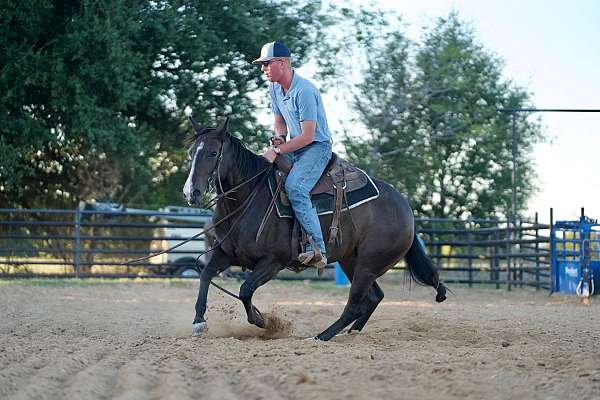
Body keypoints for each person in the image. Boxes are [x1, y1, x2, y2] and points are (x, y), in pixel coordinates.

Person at [252, 41, 332, 270]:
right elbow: (279, 123)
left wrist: (276, 150)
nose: (263, 69)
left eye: (267, 64)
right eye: (263, 65)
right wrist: (279, 138)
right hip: (295, 149)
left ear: (283, 63)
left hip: (316, 147)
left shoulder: (305, 91)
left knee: (296, 187)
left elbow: (308, 136)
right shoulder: (275, 88)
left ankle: (318, 249)